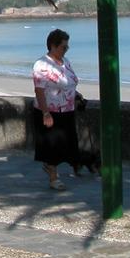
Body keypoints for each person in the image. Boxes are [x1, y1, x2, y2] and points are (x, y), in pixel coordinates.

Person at [32, 28, 80, 190]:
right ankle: (53, 177)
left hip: (67, 109)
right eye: (63, 47)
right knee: (52, 147)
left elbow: (69, 82)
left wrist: (77, 95)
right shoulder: (42, 65)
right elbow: (39, 90)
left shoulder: (65, 62)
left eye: (67, 47)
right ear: (53, 46)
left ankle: (52, 168)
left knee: (66, 145)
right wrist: (46, 113)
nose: (66, 50)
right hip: (51, 110)